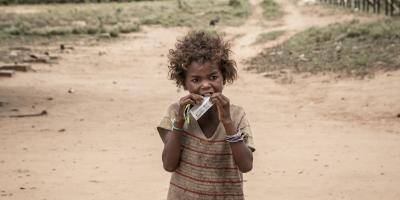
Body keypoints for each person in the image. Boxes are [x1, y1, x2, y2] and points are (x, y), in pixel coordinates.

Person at [156, 30, 255, 200]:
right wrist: (180, 121)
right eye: (196, 80)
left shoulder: (236, 115)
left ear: (224, 77)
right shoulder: (175, 113)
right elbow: (169, 164)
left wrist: (227, 122)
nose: (206, 85)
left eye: (213, 77)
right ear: (184, 82)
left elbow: (246, 165)